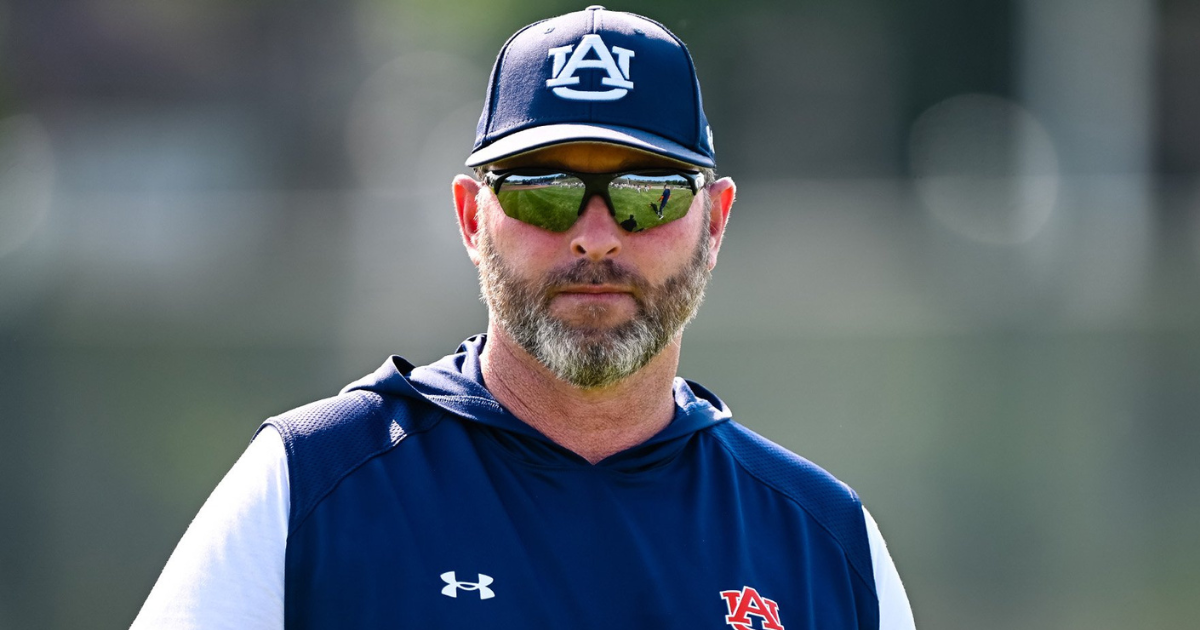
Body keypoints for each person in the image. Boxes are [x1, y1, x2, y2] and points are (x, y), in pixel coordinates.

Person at [133, 6, 915, 629]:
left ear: (715, 223)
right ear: (473, 218)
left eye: (650, 194)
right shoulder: (308, 486)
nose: (596, 234)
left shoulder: (824, 542)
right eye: (546, 188)